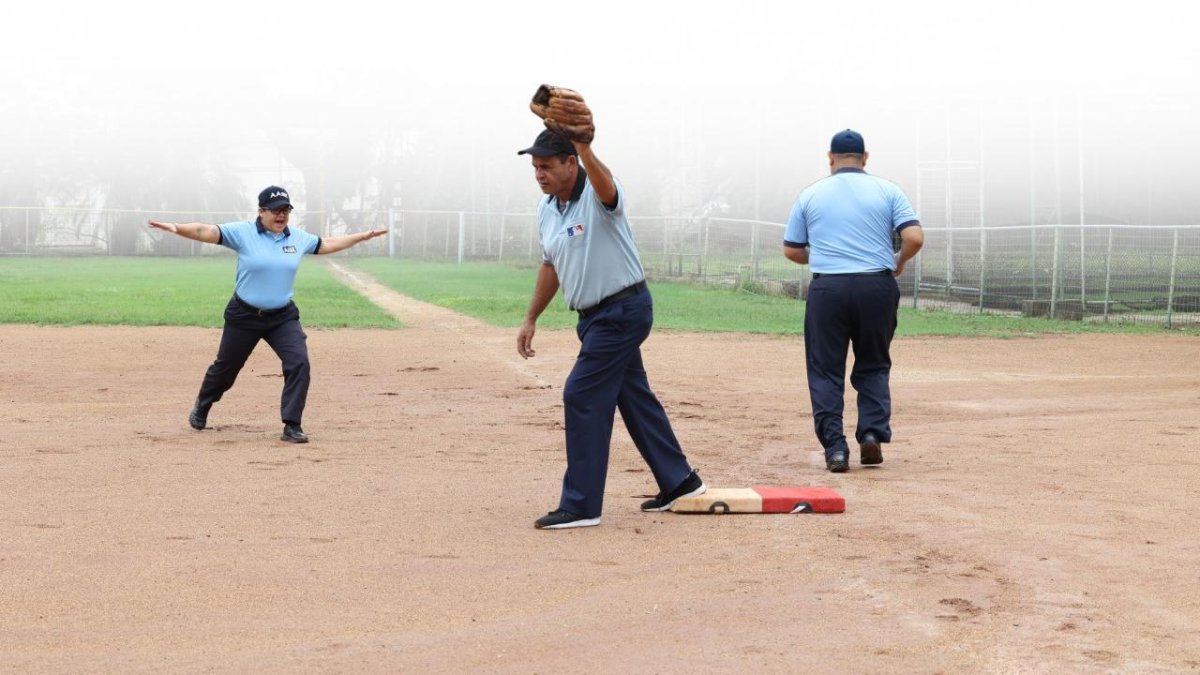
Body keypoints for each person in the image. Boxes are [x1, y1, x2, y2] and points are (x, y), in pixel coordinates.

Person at [516, 127, 705, 530]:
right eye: (535, 167)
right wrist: (531, 317)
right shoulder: (546, 209)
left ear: (571, 163)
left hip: (624, 310)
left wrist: (586, 146)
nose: (539, 174)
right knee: (633, 396)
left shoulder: (599, 194)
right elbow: (551, 264)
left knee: (581, 393)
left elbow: (606, 188)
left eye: (547, 165)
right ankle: (681, 481)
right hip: (594, 320)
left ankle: (582, 504)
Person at [147, 186, 386, 443]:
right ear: (261, 212)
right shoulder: (242, 233)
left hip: (282, 317)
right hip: (244, 315)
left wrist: (361, 237)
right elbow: (205, 230)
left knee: (299, 363)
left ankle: (292, 424)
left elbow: (326, 244)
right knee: (226, 369)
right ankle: (203, 404)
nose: (281, 215)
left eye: (285, 210)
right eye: (275, 210)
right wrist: (176, 227)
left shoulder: (297, 238)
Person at [782, 129, 924, 473]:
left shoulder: (810, 194)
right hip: (875, 286)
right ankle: (872, 434)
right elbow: (914, 237)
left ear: (830, 158)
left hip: (828, 289)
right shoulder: (888, 190)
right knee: (874, 363)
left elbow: (792, 249)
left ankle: (835, 448)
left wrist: (821, 259)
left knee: (825, 369)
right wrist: (898, 260)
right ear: (866, 158)